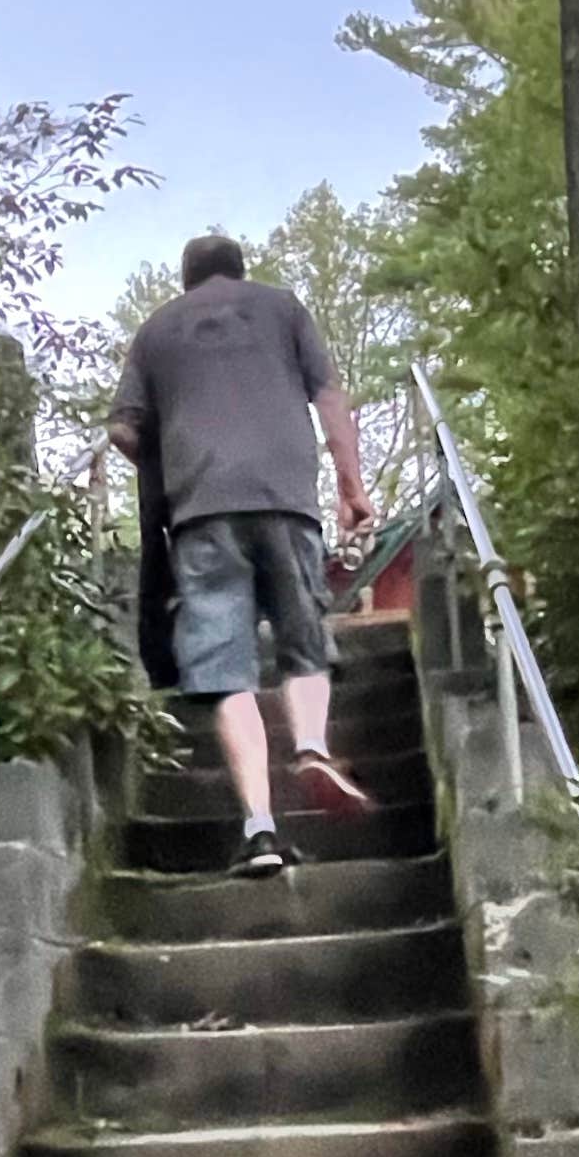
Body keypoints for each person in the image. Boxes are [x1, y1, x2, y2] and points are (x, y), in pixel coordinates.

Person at [107, 233, 375, 876]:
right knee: (304, 640)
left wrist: (166, 462)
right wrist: (351, 486)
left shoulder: (157, 329)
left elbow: (122, 429)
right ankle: (310, 745)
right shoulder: (283, 308)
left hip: (202, 509)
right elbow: (330, 399)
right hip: (285, 495)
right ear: (239, 270)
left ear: (186, 277)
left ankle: (259, 829)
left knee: (227, 672)